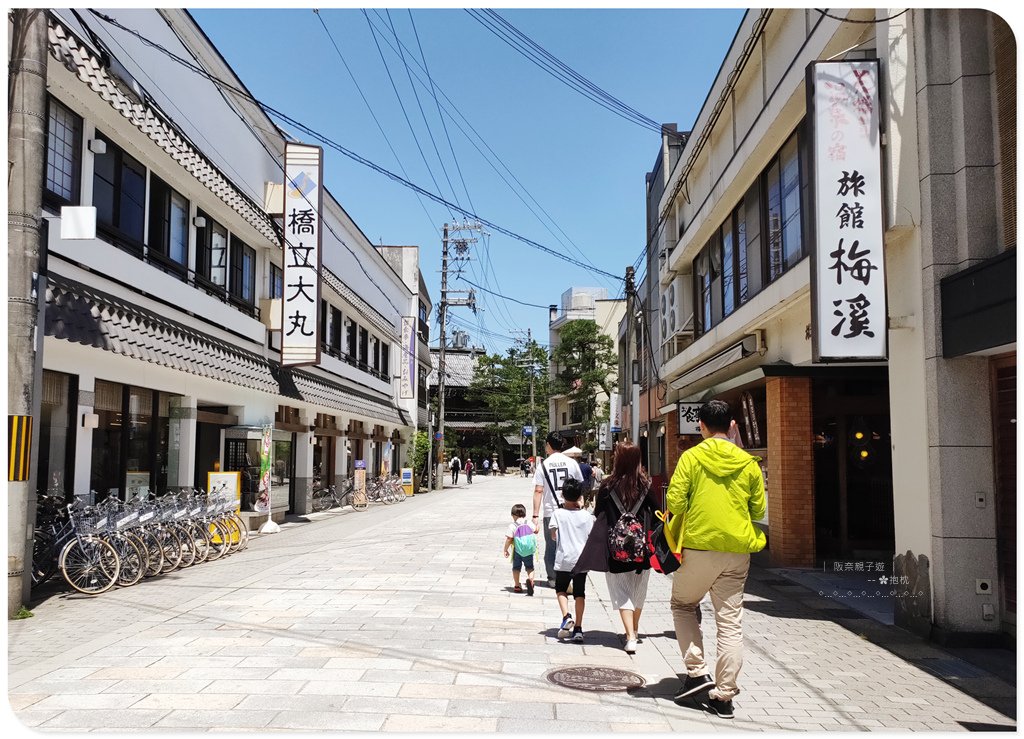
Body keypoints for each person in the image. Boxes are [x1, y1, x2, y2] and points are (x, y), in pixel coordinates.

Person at [666, 400, 767, 720]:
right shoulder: (749, 462)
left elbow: (675, 501)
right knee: (730, 622)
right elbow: (759, 511)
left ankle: (697, 674)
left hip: (698, 546)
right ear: (732, 425)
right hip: (737, 550)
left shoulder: (691, 457)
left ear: (702, 426)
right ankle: (724, 696)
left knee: (683, 605)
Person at [575, 442, 658, 655]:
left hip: (616, 550)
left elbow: (599, 514)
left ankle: (630, 635)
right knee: (639, 591)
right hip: (642, 549)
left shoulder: (607, 485)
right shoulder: (646, 484)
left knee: (621, 592)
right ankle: (635, 631)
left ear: (618, 459)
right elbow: (658, 512)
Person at [531, 432, 584, 588]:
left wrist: (535, 515)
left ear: (548, 444)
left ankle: (553, 578)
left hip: (551, 511)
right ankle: (571, 575)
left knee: (552, 546)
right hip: (571, 509)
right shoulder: (572, 463)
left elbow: (538, 491)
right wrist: (580, 502)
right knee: (571, 543)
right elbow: (580, 486)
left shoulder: (543, 465)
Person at [549, 479, 593, 642]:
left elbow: (553, 536)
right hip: (581, 560)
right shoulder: (587, 516)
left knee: (561, 589)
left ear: (562, 495)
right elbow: (591, 536)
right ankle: (579, 628)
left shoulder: (558, 514)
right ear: (580, 496)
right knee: (579, 593)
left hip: (564, 558)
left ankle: (566, 616)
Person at [503, 503, 537, 595]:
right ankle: (531, 580)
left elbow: (509, 539)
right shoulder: (528, 522)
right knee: (530, 567)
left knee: (516, 568)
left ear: (513, 515)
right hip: (529, 550)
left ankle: (517, 585)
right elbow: (536, 530)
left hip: (518, 551)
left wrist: (505, 549)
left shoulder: (513, 525)